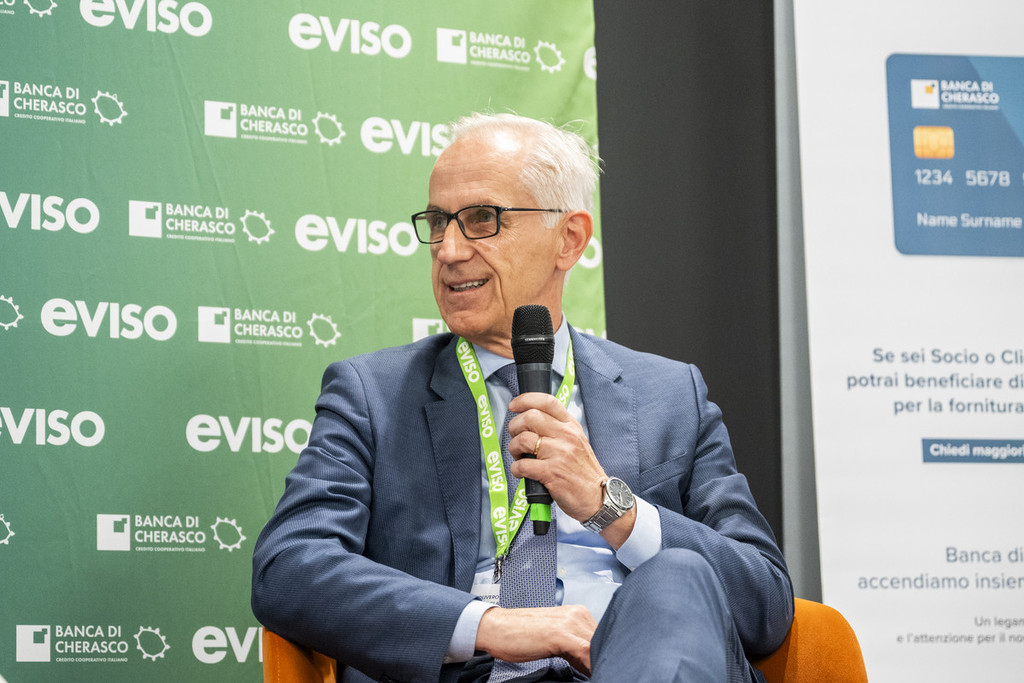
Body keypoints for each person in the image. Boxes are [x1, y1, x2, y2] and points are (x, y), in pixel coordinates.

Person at [252, 113, 793, 683]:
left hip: (630, 665)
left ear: (569, 239)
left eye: (481, 220)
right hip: (471, 672)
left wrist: (612, 508)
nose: (449, 250)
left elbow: (765, 603)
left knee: (678, 573)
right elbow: (288, 565)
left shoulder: (670, 395)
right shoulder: (372, 395)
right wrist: (488, 625)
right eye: (438, 222)